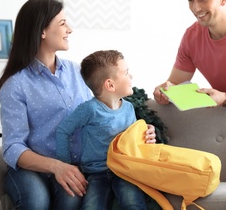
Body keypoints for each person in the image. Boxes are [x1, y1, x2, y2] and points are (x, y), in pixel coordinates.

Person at [0, 0, 93, 209]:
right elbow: (13, 147)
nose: (70, 29)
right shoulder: (16, 84)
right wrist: (57, 167)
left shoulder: (78, 72)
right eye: (62, 23)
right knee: (36, 200)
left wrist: (140, 128)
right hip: (31, 168)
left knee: (73, 196)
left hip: (72, 166)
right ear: (42, 31)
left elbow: (102, 113)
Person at [56, 50, 156, 210]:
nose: (131, 76)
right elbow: (63, 131)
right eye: (126, 73)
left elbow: (132, 139)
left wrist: (145, 131)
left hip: (124, 171)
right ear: (110, 84)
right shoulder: (89, 109)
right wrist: (66, 164)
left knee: (133, 204)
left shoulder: (129, 108)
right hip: (96, 173)